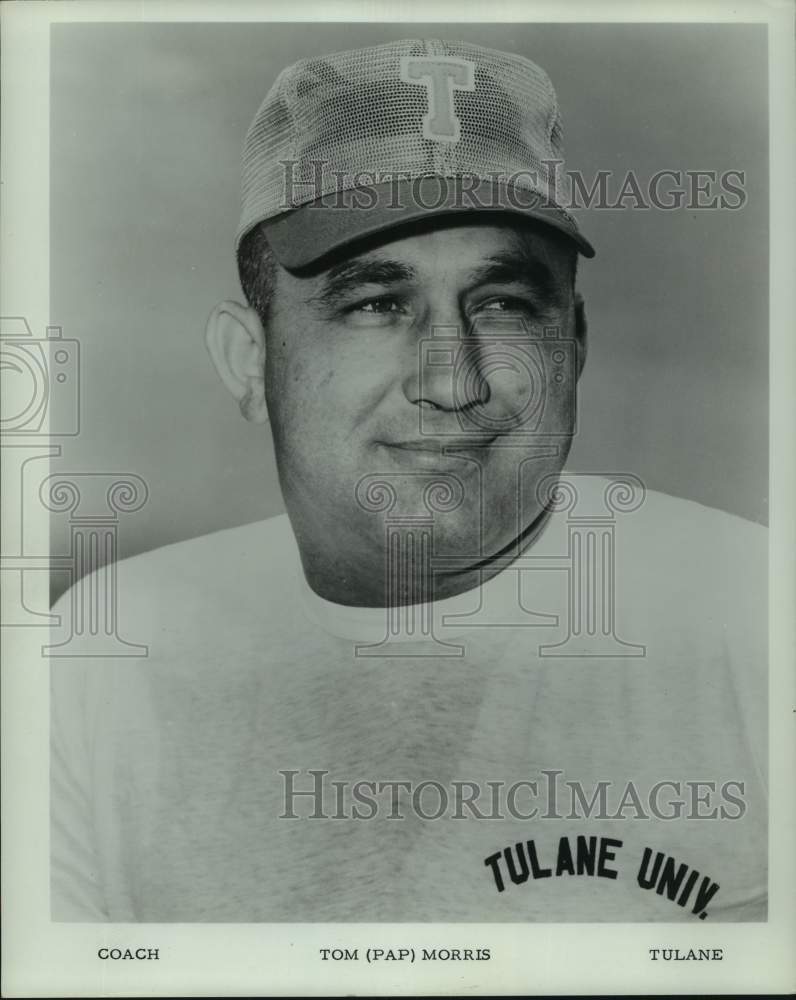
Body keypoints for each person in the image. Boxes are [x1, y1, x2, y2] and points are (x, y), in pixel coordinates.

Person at [50, 38, 766, 922]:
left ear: (572, 346)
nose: (453, 379)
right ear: (248, 360)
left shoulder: (755, 615)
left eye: (503, 304)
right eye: (375, 304)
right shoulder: (104, 647)